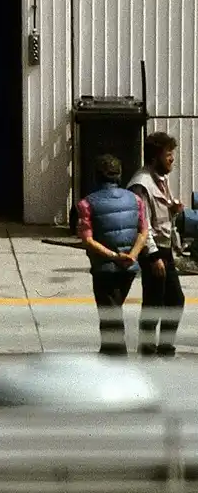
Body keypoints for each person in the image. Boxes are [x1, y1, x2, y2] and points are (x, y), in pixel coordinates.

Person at [76, 154, 149, 355]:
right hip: (129, 269)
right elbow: (144, 231)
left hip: (104, 268)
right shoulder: (135, 200)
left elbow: (88, 240)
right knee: (114, 310)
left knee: (110, 315)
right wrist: (132, 255)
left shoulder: (86, 204)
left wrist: (114, 257)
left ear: (97, 177)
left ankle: (115, 358)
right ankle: (109, 353)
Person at [127, 132, 186, 357]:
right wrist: (152, 256)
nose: (172, 159)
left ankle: (164, 347)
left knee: (174, 300)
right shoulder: (141, 184)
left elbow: (157, 217)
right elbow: (142, 223)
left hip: (164, 248)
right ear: (154, 157)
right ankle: (149, 350)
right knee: (154, 301)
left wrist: (172, 211)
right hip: (152, 250)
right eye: (168, 154)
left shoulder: (159, 179)